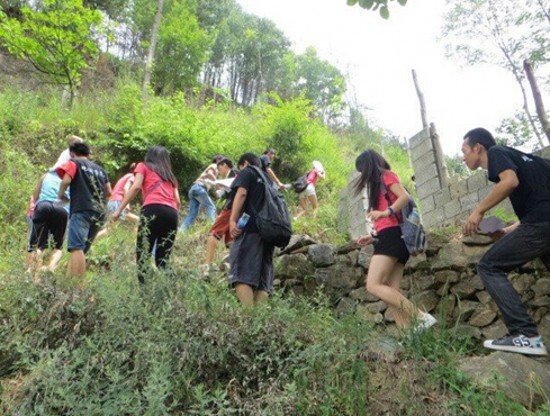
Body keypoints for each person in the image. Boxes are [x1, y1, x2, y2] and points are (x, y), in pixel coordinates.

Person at [461, 127, 549, 356]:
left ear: (478, 148)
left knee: (489, 266)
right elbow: (542, 206)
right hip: (542, 224)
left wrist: (478, 211)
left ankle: (526, 335)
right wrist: (508, 231)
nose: (463, 157)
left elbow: (509, 181)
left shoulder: (497, 152)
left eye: (464, 151)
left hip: (541, 224)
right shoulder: (529, 160)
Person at [354, 149, 436, 331]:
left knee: (373, 285)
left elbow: (404, 197)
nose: (363, 176)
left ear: (368, 166)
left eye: (363, 171)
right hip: (390, 236)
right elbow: (387, 223)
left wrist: (385, 212)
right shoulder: (377, 185)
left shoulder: (387, 176)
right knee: (391, 291)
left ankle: (421, 316)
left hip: (393, 237)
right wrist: (372, 237)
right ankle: (408, 335)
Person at [112, 145, 180, 284]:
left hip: (152, 209)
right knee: (162, 260)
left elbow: (136, 187)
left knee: (143, 254)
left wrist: (119, 209)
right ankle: (173, 289)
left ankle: (145, 291)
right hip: (172, 213)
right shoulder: (170, 176)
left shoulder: (143, 166)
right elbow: (177, 201)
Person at [57, 142, 111, 278]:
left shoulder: (74, 163)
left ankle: (77, 285)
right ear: (88, 154)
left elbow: (66, 181)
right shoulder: (100, 170)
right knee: (81, 249)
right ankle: (69, 280)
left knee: (76, 247)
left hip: (82, 209)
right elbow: (109, 192)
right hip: (99, 213)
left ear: (72, 153)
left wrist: (61, 196)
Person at [228, 153, 274, 306]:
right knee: (262, 280)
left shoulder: (247, 172)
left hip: (250, 230)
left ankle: (248, 317)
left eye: (240, 167)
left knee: (241, 274)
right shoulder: (268, 179)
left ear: (245, 163)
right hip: (269, 232)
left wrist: (232, 220)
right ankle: (258, 318)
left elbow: (241, 193)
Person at [26, 170, 70, 275]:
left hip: (44, 206)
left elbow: (35, 197)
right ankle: (51, 268)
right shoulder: (71, 179)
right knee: (58, 247)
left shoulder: (46, 175)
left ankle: (32, 272)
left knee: (37, 245)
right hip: (61, 209)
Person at [202, 158, 238, 274]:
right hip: (238, 210)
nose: (218, 171)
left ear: (225, 165)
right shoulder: (232, 176)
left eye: (219, 168)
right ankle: (236, 266)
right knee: (230, 239)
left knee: (214, 233)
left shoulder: (234, 175)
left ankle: (207, 265)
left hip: (231, 208)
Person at [179, 155, 224, 232]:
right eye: (222, 161)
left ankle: (181, 231)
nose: (223, 164)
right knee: (211, 207)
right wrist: (218, 183)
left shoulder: (215, 171)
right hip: (199, 188)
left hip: (194, 188)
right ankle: (211, 228)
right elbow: (210, 174)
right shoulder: (214, 165)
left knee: (192, 214)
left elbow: (210, 182)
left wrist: (217, 190)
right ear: (218, 160)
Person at [95, 163, 139, 239]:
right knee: (137, 220)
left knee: (109, 230)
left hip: (113, 201)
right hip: (117, 202)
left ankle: (89, 242)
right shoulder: (132, 177)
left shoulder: (126, 176)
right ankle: (137, 243)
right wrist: (127, 204)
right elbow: (125, 188)